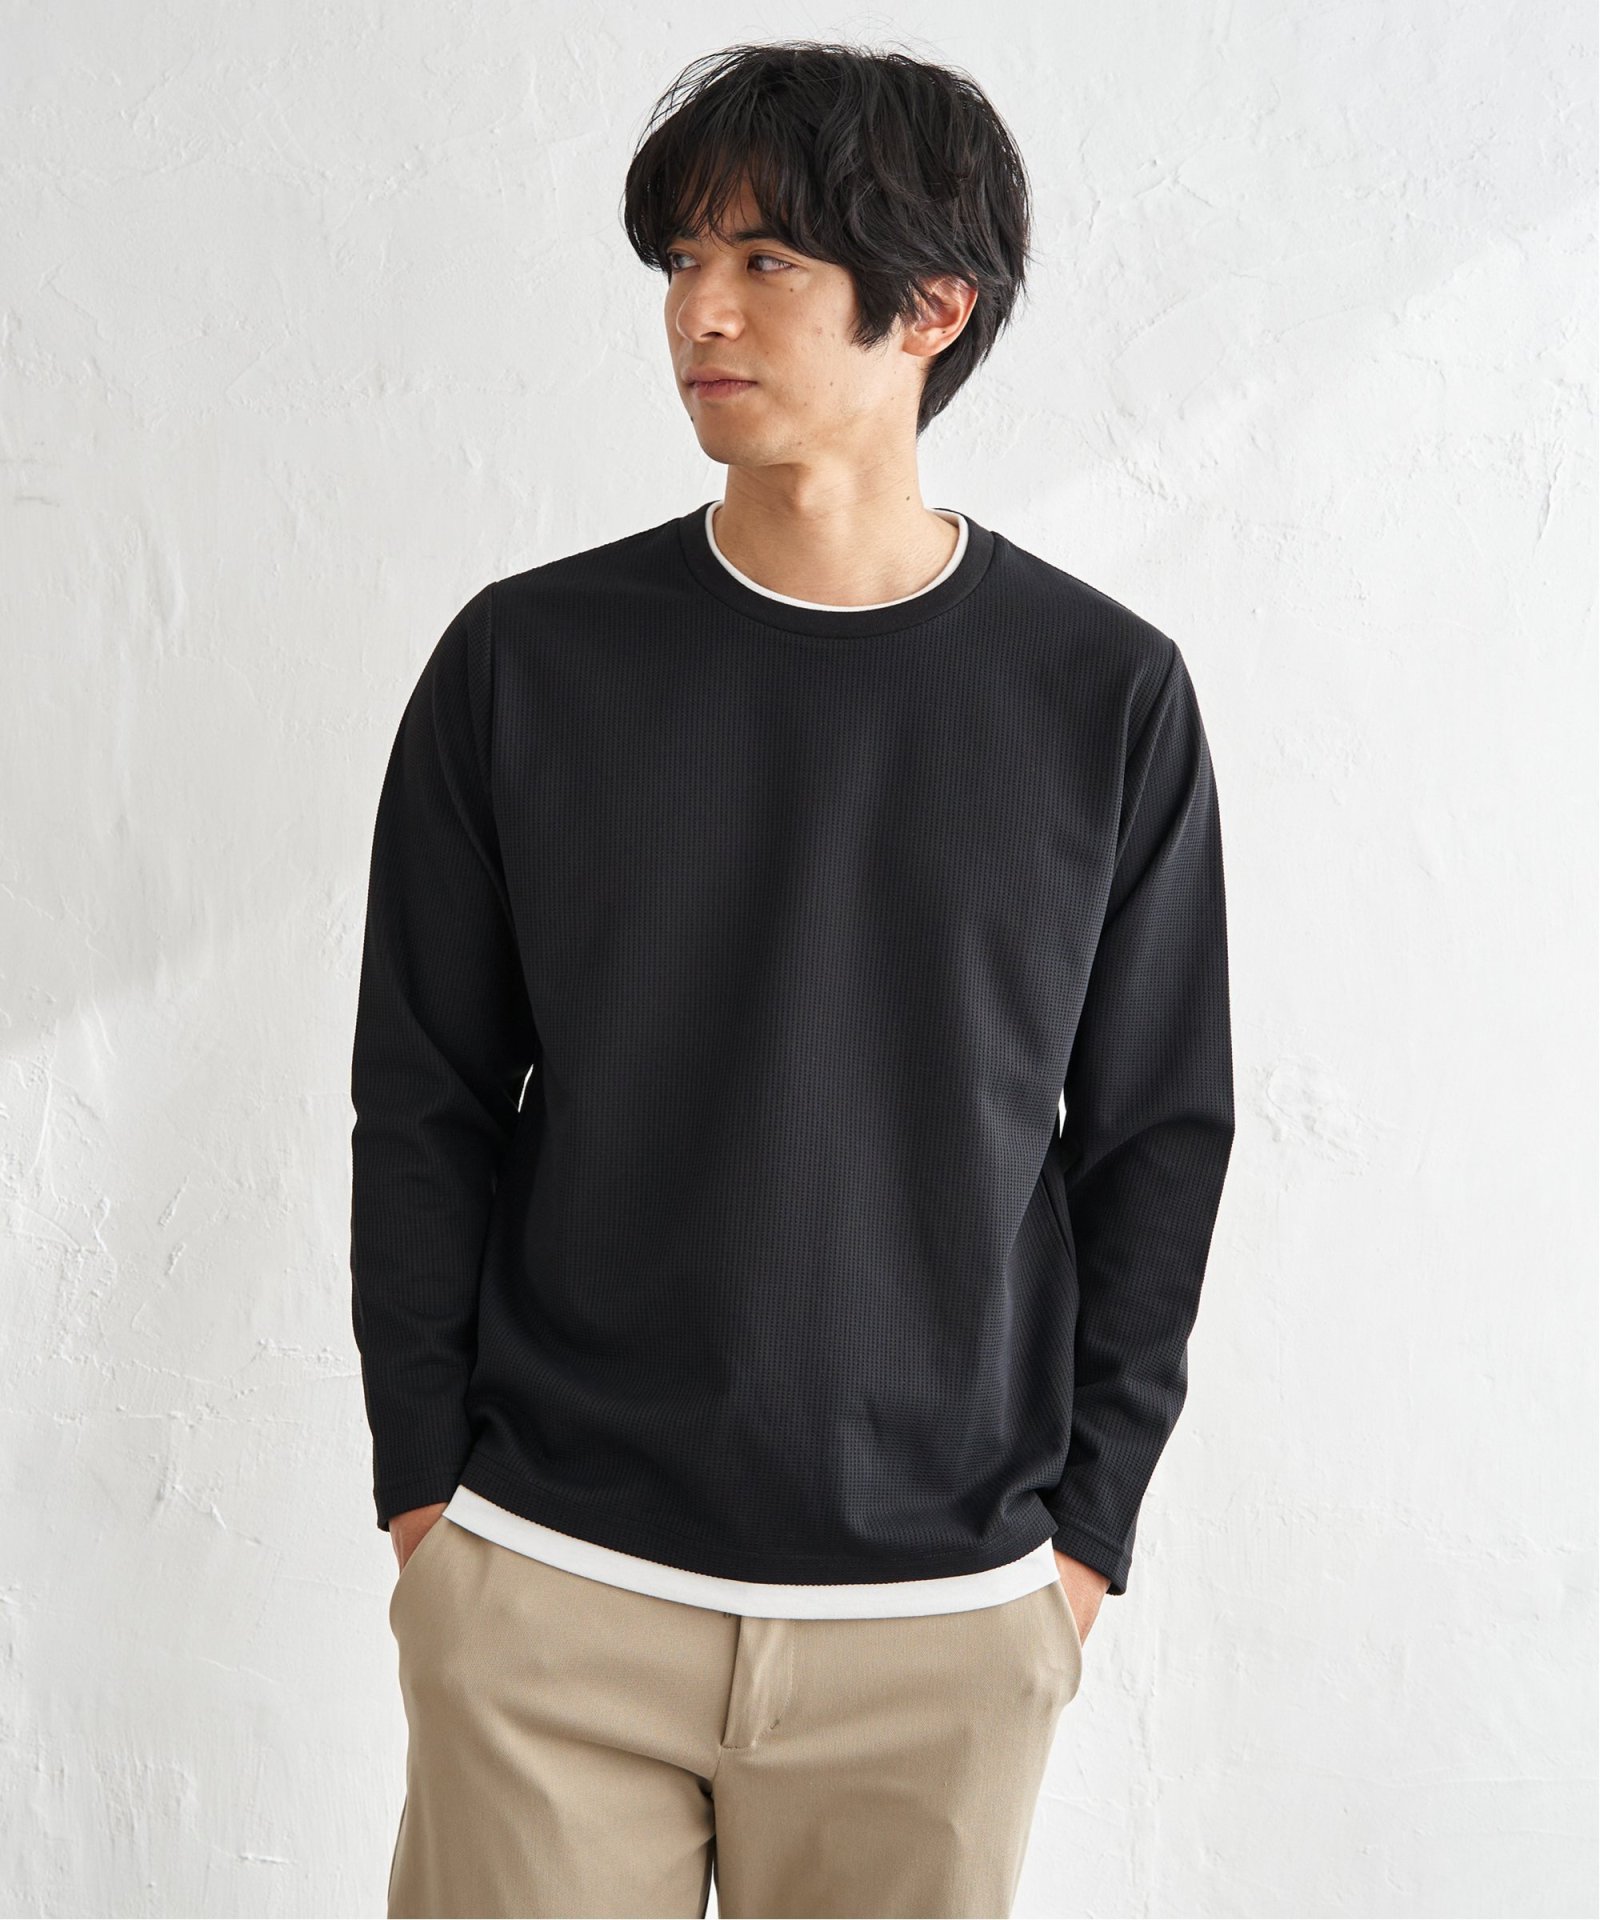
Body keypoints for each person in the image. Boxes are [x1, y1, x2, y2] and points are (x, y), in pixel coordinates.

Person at [350, 38, 1235, 1920]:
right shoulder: (524, 665)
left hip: (938, 1623)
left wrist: (1084, 1542)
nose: (701, 311)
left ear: (933, 305)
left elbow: (1156, 1137)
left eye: (765, 261)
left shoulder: (1106, 697)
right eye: (683, 260)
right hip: (551, 1590)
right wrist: (428, 1499)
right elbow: (425, 1098)